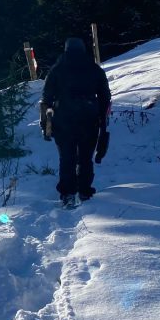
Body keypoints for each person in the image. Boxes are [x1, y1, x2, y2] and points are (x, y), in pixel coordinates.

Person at [40, 37, 111, 208]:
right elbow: (105, 96)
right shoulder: (94, 69)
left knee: (67, 157)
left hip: (64, 119)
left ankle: (68, 193)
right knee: (86, 157)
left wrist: (46, 122)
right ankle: (85, 191)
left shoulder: (57, 70)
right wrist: (101, 117)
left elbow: (46, 97)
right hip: (89, 118)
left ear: (66, 50)